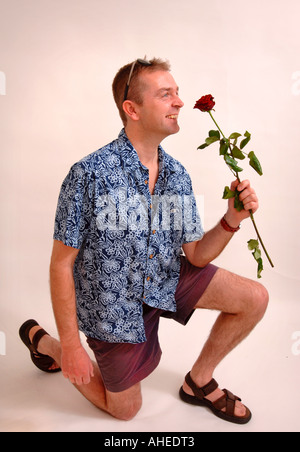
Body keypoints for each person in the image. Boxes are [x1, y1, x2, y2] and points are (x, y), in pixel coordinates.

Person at [19, 58, 269, 424]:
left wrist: (232, 219)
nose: (180, 102)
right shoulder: (88, 174)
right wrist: (71, 345)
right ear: (131, 109)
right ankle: (44, 342)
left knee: (255, 298)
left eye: (178, 93)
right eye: (166, 94)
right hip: (113, 307)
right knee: (126, 411)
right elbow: (61, 263)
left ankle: (198, 382)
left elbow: (196, 255)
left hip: (165, 278)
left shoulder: (177, 175)